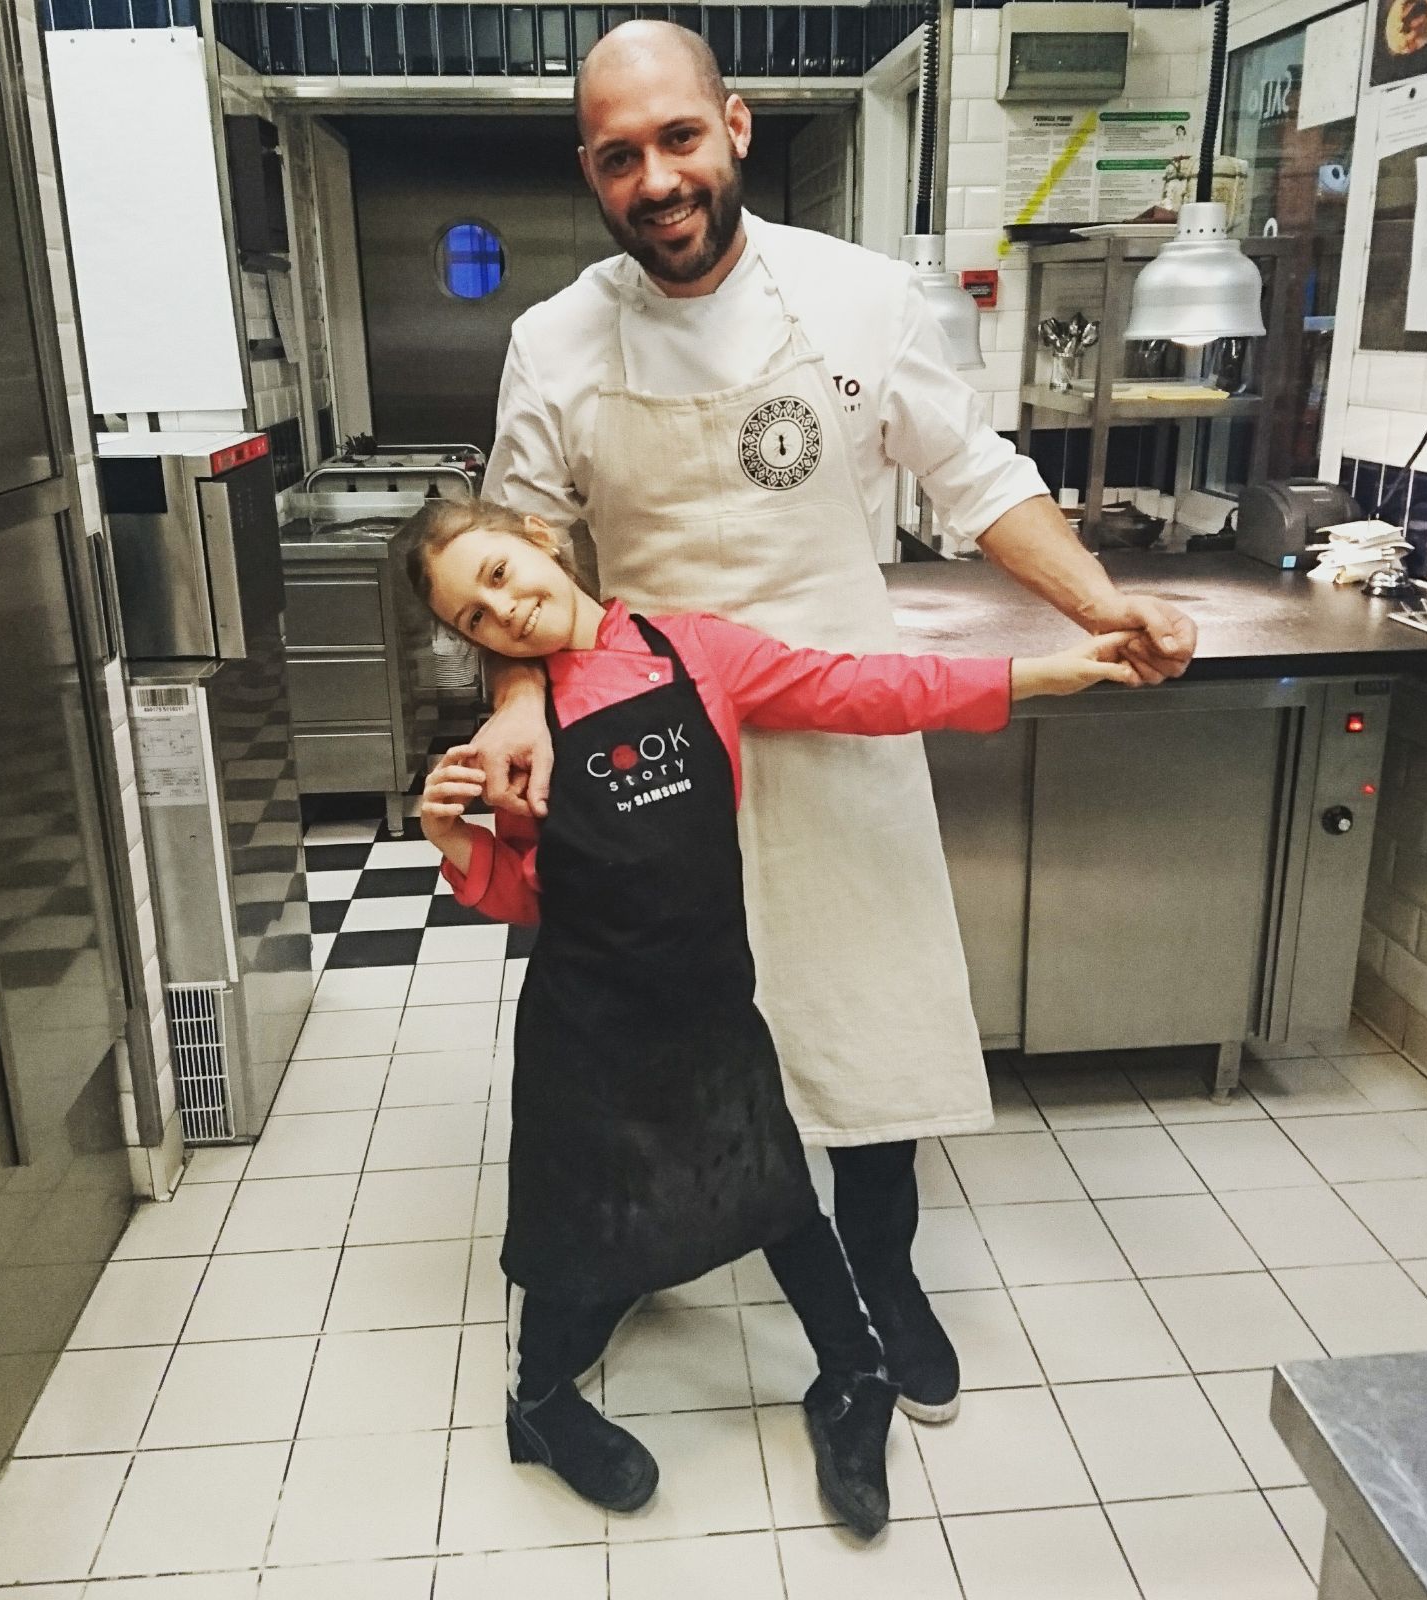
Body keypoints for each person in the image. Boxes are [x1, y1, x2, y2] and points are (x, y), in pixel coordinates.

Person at [474, 20, 1198, 1423]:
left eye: (678, 138)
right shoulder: (551, 342)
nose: (655, 179)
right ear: (589, 172)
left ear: (734, 125)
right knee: (645, 1020)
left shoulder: (860, 299)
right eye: (618, 157)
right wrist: (518, 707)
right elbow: (520, 558)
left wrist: (1100, 607)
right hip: (647, 748)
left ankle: (882, 1274)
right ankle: (634, 1249)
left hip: (842, 719)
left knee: (869, 1011)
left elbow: (976, 479)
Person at [404, 496, 1138, 1530]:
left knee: (776, 1191)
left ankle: (852, 1376)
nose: (503, 610)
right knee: (579, 1214)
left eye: (496, 574)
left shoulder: (693, 650)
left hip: (710, 1001)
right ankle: (539, 1403)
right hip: (587, 1024)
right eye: (473, 618)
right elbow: (534, 893)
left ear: (540, 539)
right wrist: (457, 844)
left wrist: (1037, 674)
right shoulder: (514, 741)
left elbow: (862, 687)